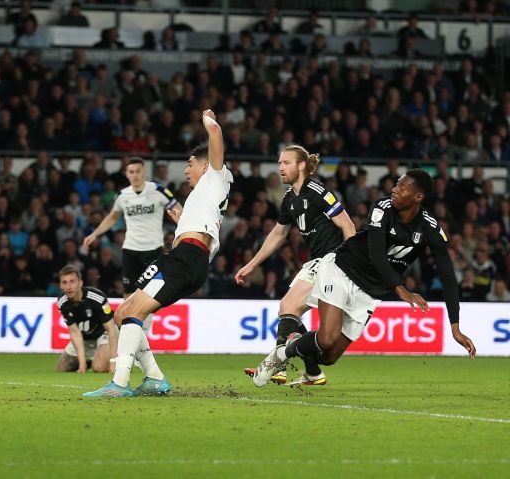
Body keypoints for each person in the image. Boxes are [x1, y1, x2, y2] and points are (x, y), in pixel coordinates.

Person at [253, 170, 476, 386]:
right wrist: (402, 290)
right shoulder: (382, 207)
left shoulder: (430, 228)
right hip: (341, 270)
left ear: (418, 197)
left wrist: (455, 327)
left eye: (402, 187)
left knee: (328, 357)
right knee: (326, 339)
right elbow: (378, 256)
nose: (394, 189)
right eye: (397, 184)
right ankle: (280, 355)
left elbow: (447, 275)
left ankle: (292, 343)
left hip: (370, 292)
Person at [84, 110, 230, 397]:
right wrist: (183, 223)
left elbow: (215, 136)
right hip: (184, 257)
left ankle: (120, 383)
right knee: (123, 313)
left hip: (187, 257)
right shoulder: (204, 198)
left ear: (203, 166)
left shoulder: (215, 176)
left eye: (189, 164)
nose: (186, 170)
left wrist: (207, 120)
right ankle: (153, 377)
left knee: (132, 312)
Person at [235, 146, 355, 386]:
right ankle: (311, 372)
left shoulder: (318, 191)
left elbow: (348, 226)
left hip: (331, 260)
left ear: (301, 166)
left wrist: (348, 264)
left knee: (288, 306)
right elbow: (278, 234)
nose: (280, 167)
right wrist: (251, 264)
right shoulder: (290, 198)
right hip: (315, 261)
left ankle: (277, 365)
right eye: (279, 162)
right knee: (288, 309)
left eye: (286, 163)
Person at [83, 157, 181, 333]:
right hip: (130, 251)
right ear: (127, 174)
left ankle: (142, 335)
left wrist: (184, 229)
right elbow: (113, 217)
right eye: (131, 172)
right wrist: (95, 234)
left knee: (150, 294)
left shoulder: (158, 191)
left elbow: (176, 210)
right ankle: (130, 333)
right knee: (129, 295)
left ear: (144, 172)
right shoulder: (123, 196)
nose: (135, 175)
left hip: (153, 251)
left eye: (138, 171)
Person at [55, 266, 119, 374]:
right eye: (64, 282)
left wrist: (113, 362)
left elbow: (111, 329)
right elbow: (75, 332)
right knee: (62, 367)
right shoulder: (62, 302)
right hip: (84, 337)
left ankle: (117, 360)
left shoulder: (96, 297)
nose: (68, 286)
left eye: (72, 282)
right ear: (60, 285)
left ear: (80, 283)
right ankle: (93, 360)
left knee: (99, 368)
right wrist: (82, 363)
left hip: (103, 334)